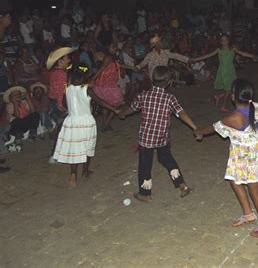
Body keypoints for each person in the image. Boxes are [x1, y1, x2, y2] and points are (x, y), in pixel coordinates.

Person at [194, 79, 258, 238]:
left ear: (233, 96)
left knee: (255, 192)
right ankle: (248, 214)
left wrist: (198, 132)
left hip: (252, 157)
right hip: (243, 155)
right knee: (234, 180)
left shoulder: (233, 118)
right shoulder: (254, 106)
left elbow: (210, 128)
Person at [119, 66, 196, 202]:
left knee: (145, 164)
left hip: (146, 138)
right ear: (169, 82)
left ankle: (145, 193)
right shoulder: (169, 98)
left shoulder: (144, 95)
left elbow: (131, 108)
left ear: (152, 79)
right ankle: (182, 185)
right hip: (162, 137)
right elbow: (181, 113)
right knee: (167, 159)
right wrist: (195, 127)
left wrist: (122, 113)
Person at [54, 63, 120, 188]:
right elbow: (100, 101)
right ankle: (85, 171)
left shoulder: (67, 89)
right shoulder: (87, 89)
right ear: (85, 76)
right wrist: (114, 110)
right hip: (86, 122)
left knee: (75, 149)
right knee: (88, 147)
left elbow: (64, 104)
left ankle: (73, 174)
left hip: (72, 122)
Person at [191, 34, 256, 112]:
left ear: (229, 40)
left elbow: (242, 53)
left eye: (226, 40)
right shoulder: (219, 49)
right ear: (220, 42)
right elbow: (208, 55)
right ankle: (223, 107)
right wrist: (195, 59)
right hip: (223, 71)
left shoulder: (232, 48)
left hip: (231, 70)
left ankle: (218, 96)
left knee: (231, 88)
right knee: (229, 90)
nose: (224, 42)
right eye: (222, 40)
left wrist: (252, 56)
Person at [93, 42, 133, 132]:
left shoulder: (113, 58)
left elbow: (119, 66)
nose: (115, 48)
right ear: (108, 48)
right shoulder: (108, 57)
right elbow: (101, 68)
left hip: (108, 84)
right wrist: (92, 79)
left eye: (115, 47)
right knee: (117, 103)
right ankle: (106, 123)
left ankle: (105, 124)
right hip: (106, 85)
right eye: (112, 47)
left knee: (107, 105)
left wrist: (131, 68)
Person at [47, 47, 75, 163]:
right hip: (59, 102)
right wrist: (60, 103)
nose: (69, 60)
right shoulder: (62, 74)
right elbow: (61, 90)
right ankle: (55, 155)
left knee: (63, 129)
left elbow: (53, 89)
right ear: (60, 61)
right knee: (62, 130)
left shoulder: (54, 72)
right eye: (67, 58)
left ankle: (59, 154)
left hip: (53, 101)